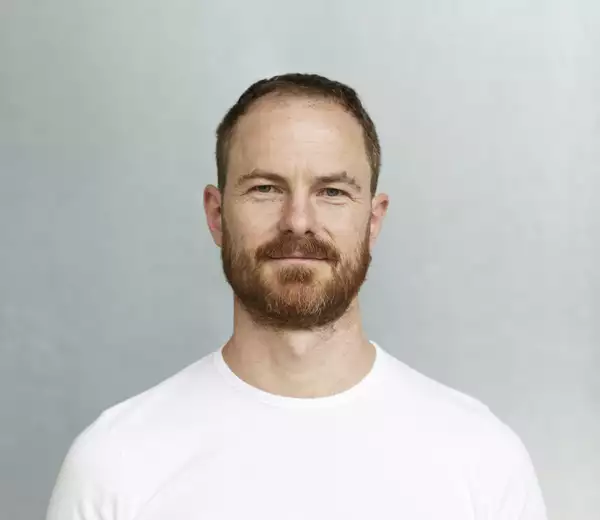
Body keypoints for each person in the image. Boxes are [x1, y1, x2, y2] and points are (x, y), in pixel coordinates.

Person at [47, 73, 547, 520]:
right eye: (266, 188)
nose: (298, 221)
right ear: (216, 215)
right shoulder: (116, 462)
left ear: (373, 221)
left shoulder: (482, 458)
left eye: (332, 192)